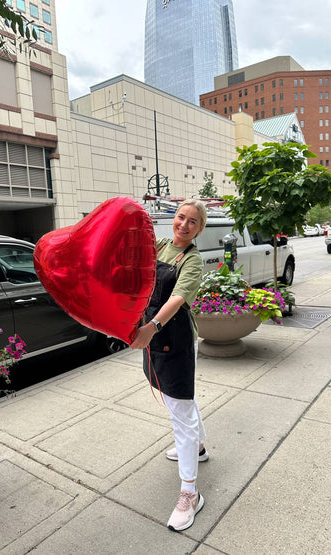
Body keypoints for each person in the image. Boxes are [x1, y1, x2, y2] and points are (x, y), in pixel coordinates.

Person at [130, 199, 209, 532]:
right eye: (181, 217)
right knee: (179, 399)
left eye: (192, 221)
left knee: (179, 406)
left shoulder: (192, 260)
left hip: (172, 338)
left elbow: (177, 299)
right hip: (154, 334)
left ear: (199, 229)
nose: (184, 224)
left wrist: (150, 329)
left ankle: (190, 493)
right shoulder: (160, 245)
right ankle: (199, 447)